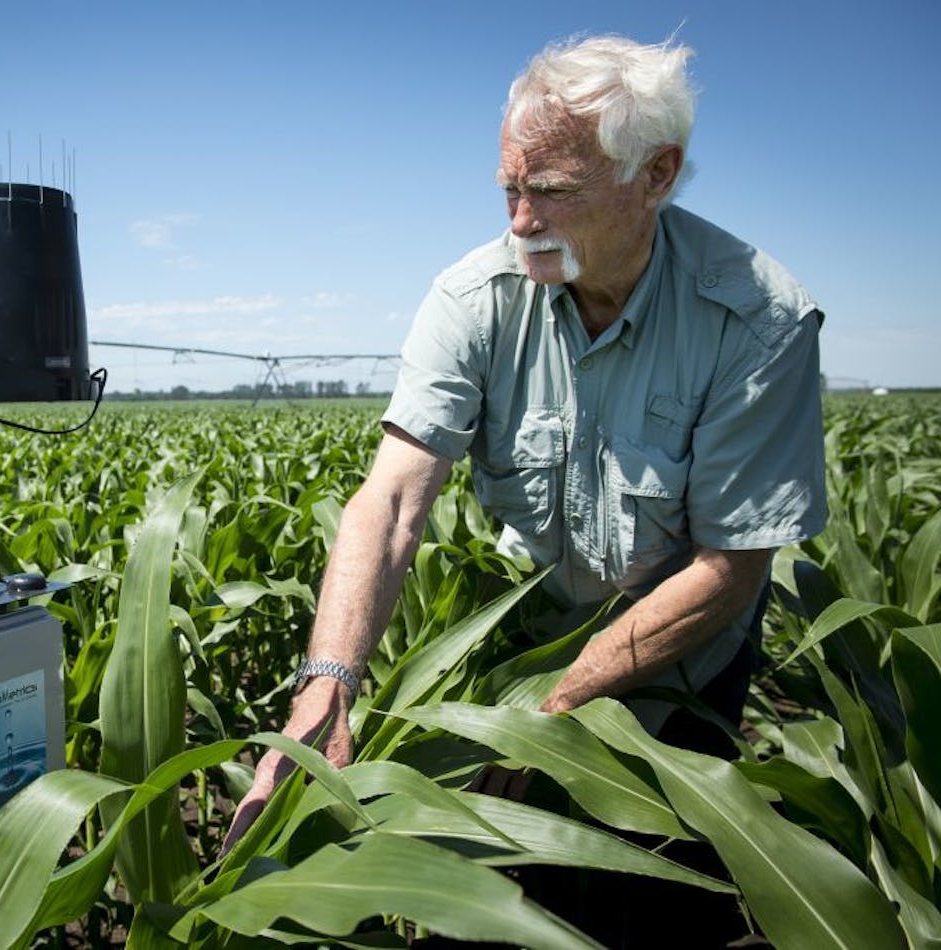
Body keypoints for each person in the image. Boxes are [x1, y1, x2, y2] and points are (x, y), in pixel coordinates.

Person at [223, 33, 826, 860]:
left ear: (656, 175)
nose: (521, 222)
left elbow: (730, 571)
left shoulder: (757, 319)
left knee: (657, 888)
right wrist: (325, 687)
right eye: (509, 189)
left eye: (551, 191)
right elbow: (393, 499)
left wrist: (545, 714)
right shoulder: (475, 298)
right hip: (529, 634)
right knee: (506, 881)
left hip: (684, 661)